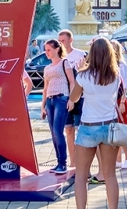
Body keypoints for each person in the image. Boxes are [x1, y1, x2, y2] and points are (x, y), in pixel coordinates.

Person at [69, 36, 121, 209]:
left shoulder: (84, 76)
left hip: (89, 127)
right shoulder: (115, 75)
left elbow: (74, 98)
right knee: (110, 175)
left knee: (82, 175)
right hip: (110, 126)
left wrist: (79, 72)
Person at [41, 38, 75, 174]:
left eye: (49, 50)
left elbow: (72, 82)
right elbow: (45, 88)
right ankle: (58, 162)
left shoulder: (64, 63)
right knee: (53, 133)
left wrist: (71, 100)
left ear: (57, 49)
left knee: (57, 131)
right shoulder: (47, 68)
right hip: (50, 100)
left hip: (62, 98)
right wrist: (42, 106)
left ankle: (63, 163)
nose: (46, 53)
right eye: (45, 50)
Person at [59, 29, 86, 168]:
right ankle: (73, 161)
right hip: (64, 97)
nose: (61, 43)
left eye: (63, 40)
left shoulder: (81, 55)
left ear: (71, 40)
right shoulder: (58, 57)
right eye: (59, 41)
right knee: (68, 129)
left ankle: (82, 161)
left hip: (80, 97)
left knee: (80, 129)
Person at [111, 39, 127, 169]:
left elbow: (124, 85)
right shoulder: (110, 64)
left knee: (121, 129)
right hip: (112, 99)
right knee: (115, 130)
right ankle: (118, 159)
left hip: (120, 99)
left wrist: (123, 102)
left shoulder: (121, 65)